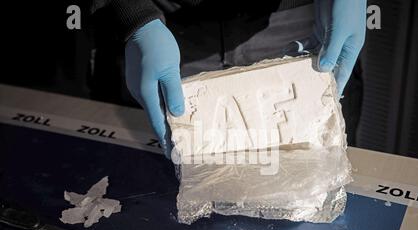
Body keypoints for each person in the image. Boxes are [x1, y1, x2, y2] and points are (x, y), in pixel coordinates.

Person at [90, 0, 367, 157]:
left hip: (296, 22)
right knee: (150, 182)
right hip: (163, 27)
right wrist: (130, 14)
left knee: (311, 180)